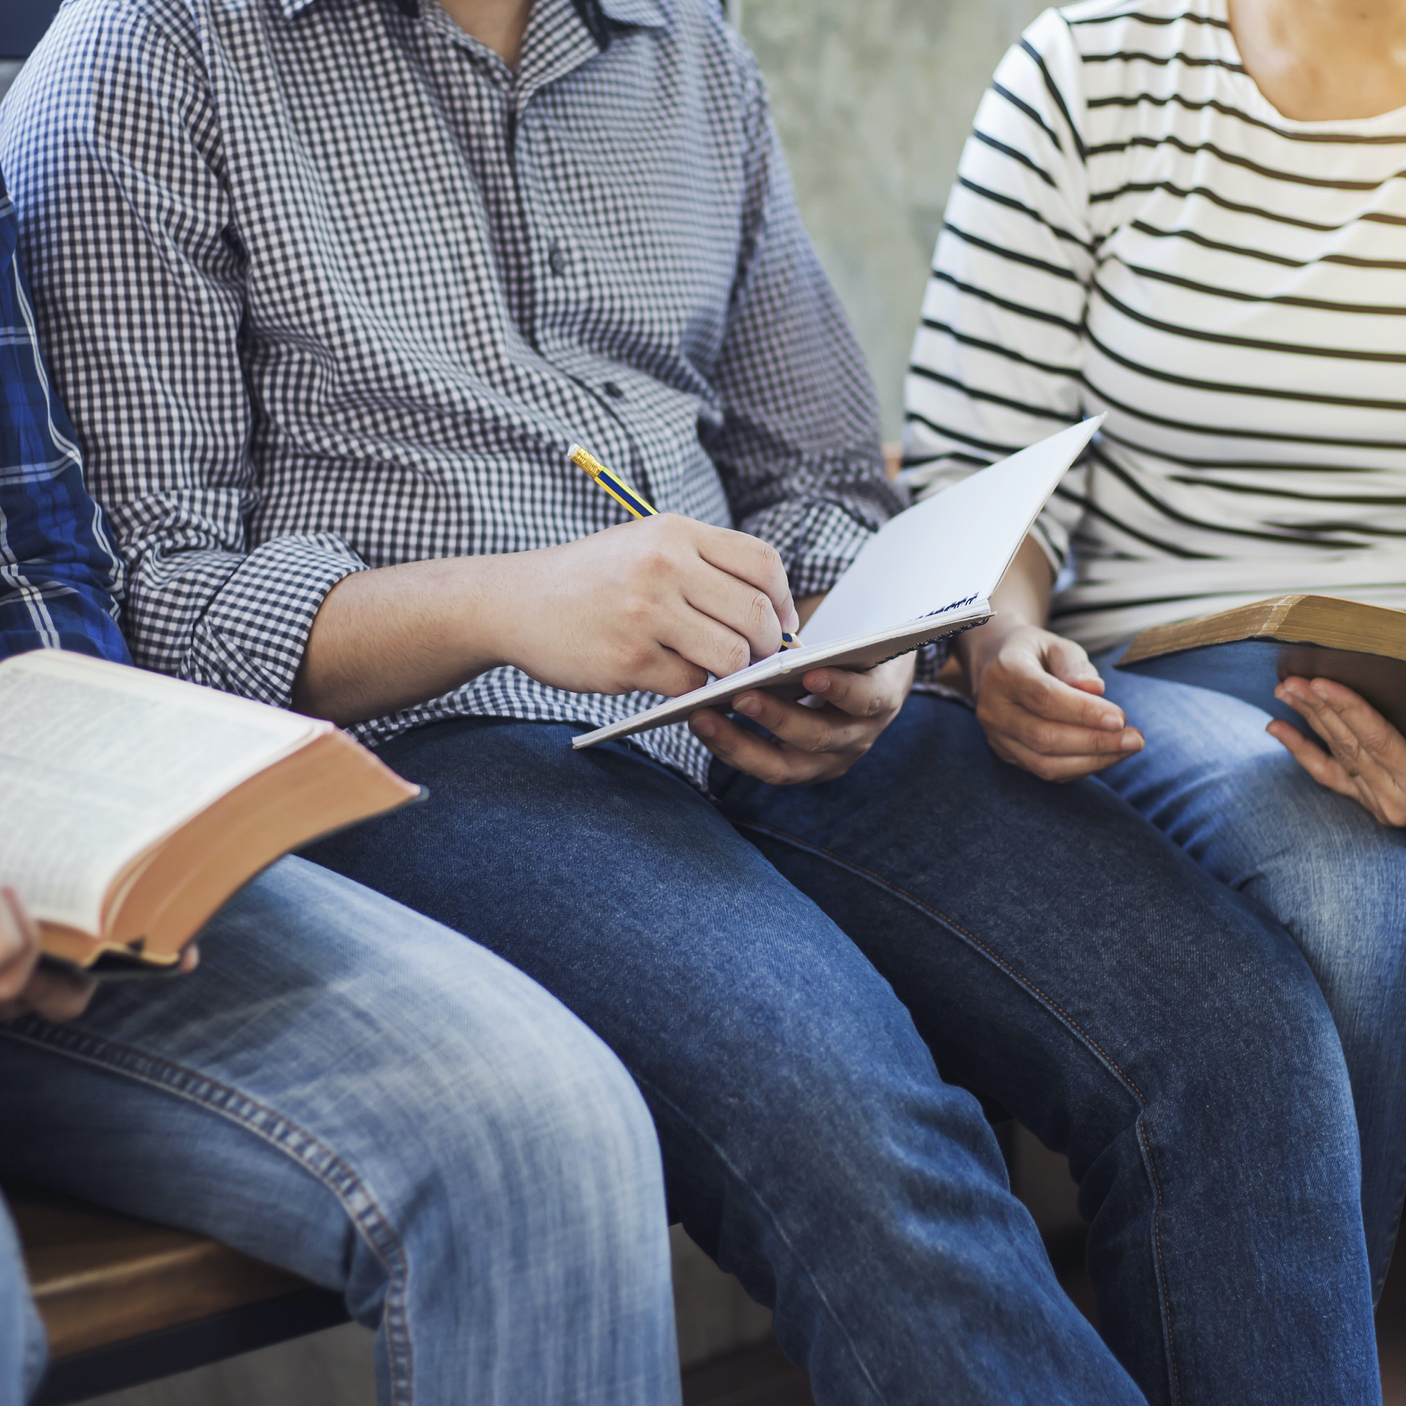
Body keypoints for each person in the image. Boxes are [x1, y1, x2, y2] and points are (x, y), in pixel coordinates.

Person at [0, 1, 1385, 1400]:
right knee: (846, 1113)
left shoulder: (685, 50)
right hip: (431, 752)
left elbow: (826, 480)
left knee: (1235, 1036)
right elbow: (149, 613)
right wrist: (509, 604)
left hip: (765, 710)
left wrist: (882, 645)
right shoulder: (146, 63)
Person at [0, 173, 680, 1406]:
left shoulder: (697, 72)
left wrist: (80, 800)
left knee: (543, 1133)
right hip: (458, 745)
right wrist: (497, 603)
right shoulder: (136, 84)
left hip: (33, 856)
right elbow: (170, 573)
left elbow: (34, 556)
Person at [902, 0, 1406, 1304]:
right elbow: (978, 473)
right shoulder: (1092, 70)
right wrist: (995, 635)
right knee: (1345, 880)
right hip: (1157, 670)